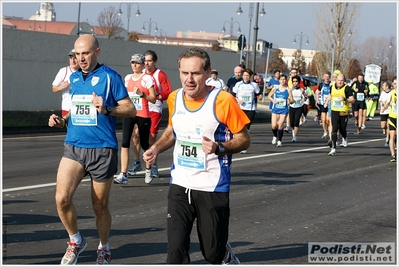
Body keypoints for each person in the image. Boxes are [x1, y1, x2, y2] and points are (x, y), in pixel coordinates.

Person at [143, 47, 250, 264]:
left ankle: (225, 255)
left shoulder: (223, 101)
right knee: (175, 253)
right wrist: (156, 148)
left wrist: (219, 147)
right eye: (184, 73)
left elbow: (244, 139)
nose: (189, 79)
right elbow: (173, 130)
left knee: (212, 254)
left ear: (207, 72)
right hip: (180, 185)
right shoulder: (174, 98)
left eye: (195, 73)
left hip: (212, 186)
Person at [48, 34, 136, 265]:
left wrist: (106, 109)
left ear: (97, 52)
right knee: (61, 198)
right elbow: (77, 113)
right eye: (77, 54)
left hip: (102, 149)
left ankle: (104, 246)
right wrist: (61, 121)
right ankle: (76, 240)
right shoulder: (74, 79)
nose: (80, 58)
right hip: (74, 146)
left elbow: (130, 109)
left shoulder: (110, 77)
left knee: (100, 206)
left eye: (85, 53)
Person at [113, 54, 156, 185]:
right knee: (125, 142)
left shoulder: (147, 78)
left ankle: (148, 170)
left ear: (143, 65)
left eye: (137, 63)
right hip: (129, 113)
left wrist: (142, 94)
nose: (134, 65)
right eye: (132, 63)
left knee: (144, 144)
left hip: (143, 114)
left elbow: (153, 98)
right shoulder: (127, 78)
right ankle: (123, 174)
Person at [129, 50, 173, 178]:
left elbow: (168, 92)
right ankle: (137, 162)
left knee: (151, 138)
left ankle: (153, 165)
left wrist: (155, 95)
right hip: (141, 108)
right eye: (145, 61)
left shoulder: (160, 74)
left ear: (155, 62)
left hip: (154, 108)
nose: (147, 63)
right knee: (135, 135)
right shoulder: (140, 74)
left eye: (149, 61)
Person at [324, 73, 355, 156]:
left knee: (342, 129)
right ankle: (333, 149)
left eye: (342, 80)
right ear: (335, 80)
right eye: (338, 80)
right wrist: (326, 102)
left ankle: (344, 137)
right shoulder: (332, 87)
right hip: (334, 110)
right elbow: (331, 95)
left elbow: (352, 100)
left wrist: (344, 99)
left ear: (344, 81)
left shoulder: (347, 88)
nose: (340, 82)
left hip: (343, 111)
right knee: (334, 129)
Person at [232, 68, 261, 153]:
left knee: (246, 128)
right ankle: (237, 141)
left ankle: (244, 147)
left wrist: (260, 96)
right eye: (244, 75)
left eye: (247, 75)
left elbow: (258, 94)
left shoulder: (254, 85)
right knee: (240, 127)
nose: (246, 77)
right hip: (240, 108)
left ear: (250, 76)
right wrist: (238, 100)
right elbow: (232, 95)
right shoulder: (238, 84)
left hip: (250, 109)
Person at [52, 49, 79, 117]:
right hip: (67, 108)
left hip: (80, 108)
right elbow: (54, 88)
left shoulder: (85, 71)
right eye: (71, 58)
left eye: (75, 58)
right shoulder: (63, 71)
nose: (72, 61)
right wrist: (60, 87)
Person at [268, 74, 290, 147]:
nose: (283, 81)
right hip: (275, 109)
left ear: (286, 80)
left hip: (284, 109)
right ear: (279, 80)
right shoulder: (275, 88)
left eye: (284, 79)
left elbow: (292, 100)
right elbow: (269, 96)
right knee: (274, 126)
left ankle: (279, 141)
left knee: (280, 124)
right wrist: (273, 100)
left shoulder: (288, 89)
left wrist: (290, 101)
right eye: (281, 79)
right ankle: (275, 136)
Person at [288, 75, 307, 142]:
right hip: (292, 107)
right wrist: (289, 101)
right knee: (291, 123)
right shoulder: (290, 90)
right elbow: (288, 98)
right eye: (293, 81)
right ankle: (293, 129)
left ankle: (295, 137)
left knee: (296, 122)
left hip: (299, 107)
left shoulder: (301, 90)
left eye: (296, 81)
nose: (295, 83)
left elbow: (306, 96)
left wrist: (304, 99)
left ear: (298, 82)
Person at [315, 71, 332, 139]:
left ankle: (328, 129)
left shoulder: (331, 85)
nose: (327, 78)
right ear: (323, 77)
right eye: (325, 77)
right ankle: (325, 131)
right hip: (322, 104)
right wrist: (317, 100)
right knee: (323, 119)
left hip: (329, 104)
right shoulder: (321, 85)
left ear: (329, 77)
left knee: (328, 119)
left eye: (328, 77)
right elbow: (318, 92)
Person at [379, 81, 392, 147]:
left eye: (383, 85)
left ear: (387, 86)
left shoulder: (391, 93)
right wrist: (381, 103)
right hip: (383, 111)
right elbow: (380, 100)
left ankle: (387, 139)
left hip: (389, 111)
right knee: (383, 126)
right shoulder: (383, 93)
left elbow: (389, 102)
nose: (382, 86)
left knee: (388, 125)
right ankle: (385, 130)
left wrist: (385, 107)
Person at [387, 77, 397, 162]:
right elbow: (388, 102)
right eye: (394, 83)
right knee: (392, 135)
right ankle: (393, 155)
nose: (396, 85)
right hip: (392, 116)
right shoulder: (392, 93)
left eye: (397, 83)